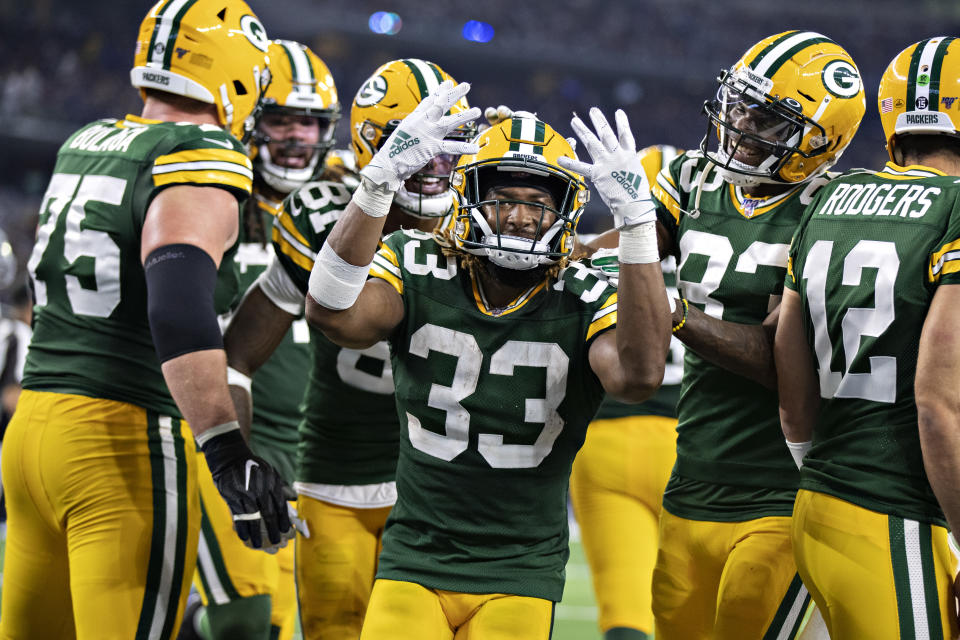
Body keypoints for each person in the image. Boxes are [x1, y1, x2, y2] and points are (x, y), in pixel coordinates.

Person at [306, 68, 671, 636]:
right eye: (503, 199)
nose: (521, 217)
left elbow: (639, 376)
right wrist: (376, 186)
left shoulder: (586, 288)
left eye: (536, 203)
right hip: (415, 557)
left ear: (566, 209)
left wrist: (638, 228)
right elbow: (333, 313)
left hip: (520, 567)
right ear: (470, 197)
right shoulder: (418, 261)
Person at [0, 2, 293, 638]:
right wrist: (224, 446)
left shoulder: (87, 141)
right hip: (122, 436)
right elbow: (179, 303)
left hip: (33, 430)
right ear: (240, 72)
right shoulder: (198, 149)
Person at [222, 58, 476, 639]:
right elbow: (238, 353)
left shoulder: (485, 219)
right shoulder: (318, 217)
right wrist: (240, 455)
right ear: (372, 144)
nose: (434, 164)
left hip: (447, 490)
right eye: (413, 145)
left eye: (449, 144)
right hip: (337, 477)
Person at [644, 31, 866, 639]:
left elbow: (781, 359)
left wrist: (672, 314)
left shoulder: (835, 209)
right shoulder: (695, 181)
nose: (739, 125)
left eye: (766, 120)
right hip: (691, 477)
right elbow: (609, 264)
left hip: (784, 489)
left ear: (818, 142)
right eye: (739, 105)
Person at [775, 36, 960, 639]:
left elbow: (788, 353)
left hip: (819, 506)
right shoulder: (955, 208)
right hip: (900, 514)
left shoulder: (830, 197)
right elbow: (938, 406)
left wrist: (819, 470)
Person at [181, 38, 340, 640]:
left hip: (320, 453)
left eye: (311, 121)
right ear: (248, 119)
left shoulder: (341, 210)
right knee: (247, 620)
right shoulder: (210, 198)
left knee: (274, 623)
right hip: (233, 438)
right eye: (280, 118)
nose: (298, 136)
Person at [570, 144, 685, 640]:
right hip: (694, 446)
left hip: (605, 445)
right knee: (699, 615)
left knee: (626, 615)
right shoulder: (725, 256)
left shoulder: (586, 255)